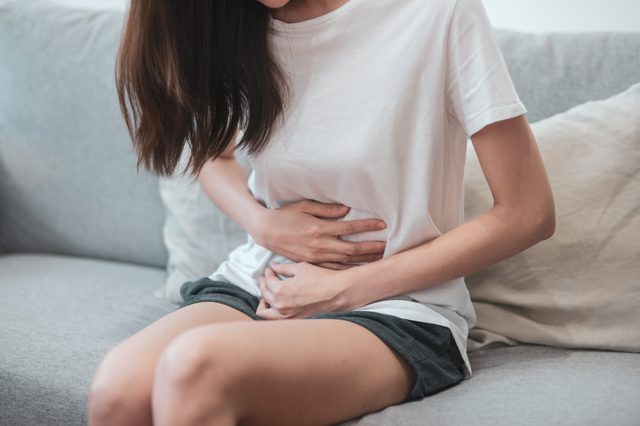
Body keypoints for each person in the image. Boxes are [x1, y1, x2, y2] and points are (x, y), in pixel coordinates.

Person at [88, 0, 555, 425]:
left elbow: (527, 212)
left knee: (194, 367)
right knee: (118, 389)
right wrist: (263, 223)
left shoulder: (438, 13)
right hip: (264, 284)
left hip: (399, 308)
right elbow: (211, 152)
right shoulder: (237, 21)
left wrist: (341, 289)